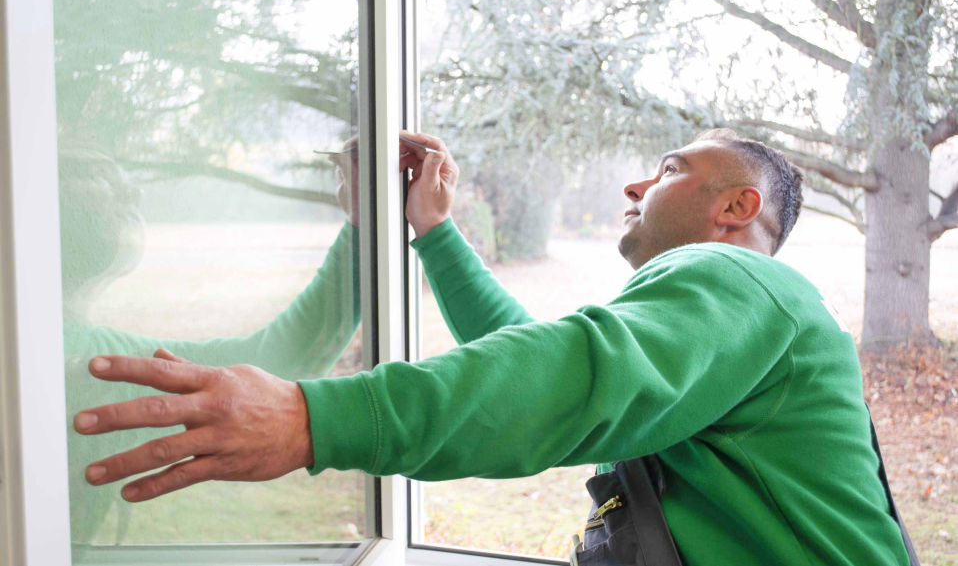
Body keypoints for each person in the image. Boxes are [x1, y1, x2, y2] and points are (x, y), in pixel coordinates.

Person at [74, 129, 911, 565]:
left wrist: (308, 417)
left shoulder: (741, 278)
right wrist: (429, 229)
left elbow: (572, 377)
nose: (634, 185)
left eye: (666, 167)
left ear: (737, 206)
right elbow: (544, 358)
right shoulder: (740, 322)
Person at [60, 146, 361, 544]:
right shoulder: (80, 360)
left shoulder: (70, 344)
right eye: (98, 177)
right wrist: (362, 223)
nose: (134, 195)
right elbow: (280, 361)